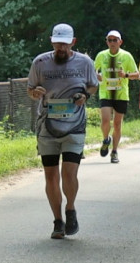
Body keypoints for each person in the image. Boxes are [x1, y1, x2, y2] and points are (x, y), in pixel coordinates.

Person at [27, 24, 98, 238]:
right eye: (58, 43)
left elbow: (93, 85)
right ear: (52, 41)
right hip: (47, 127)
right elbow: (30, 90)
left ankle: (71, 208)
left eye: (65, 44)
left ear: (73, 42)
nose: (61, 48)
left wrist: (85, 95)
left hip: (75, 126)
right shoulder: (40, 62)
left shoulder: (85, 62)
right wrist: (35, 92)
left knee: (69, 172)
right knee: (50, 175)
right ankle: (58, 221)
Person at [94, 30, 138, 163]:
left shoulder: (126, 56)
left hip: (121, 94)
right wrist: (97, 76)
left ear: (120, 42)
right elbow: (92, 71)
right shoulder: (101, 55)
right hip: (105, 92)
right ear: (106, 42)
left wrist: (125, 75)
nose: (112, 43)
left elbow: (137, 74)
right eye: (109, 40)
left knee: (117, 124)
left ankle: (114, 151)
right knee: (105, 120)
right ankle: (106, 138)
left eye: (115, 40)